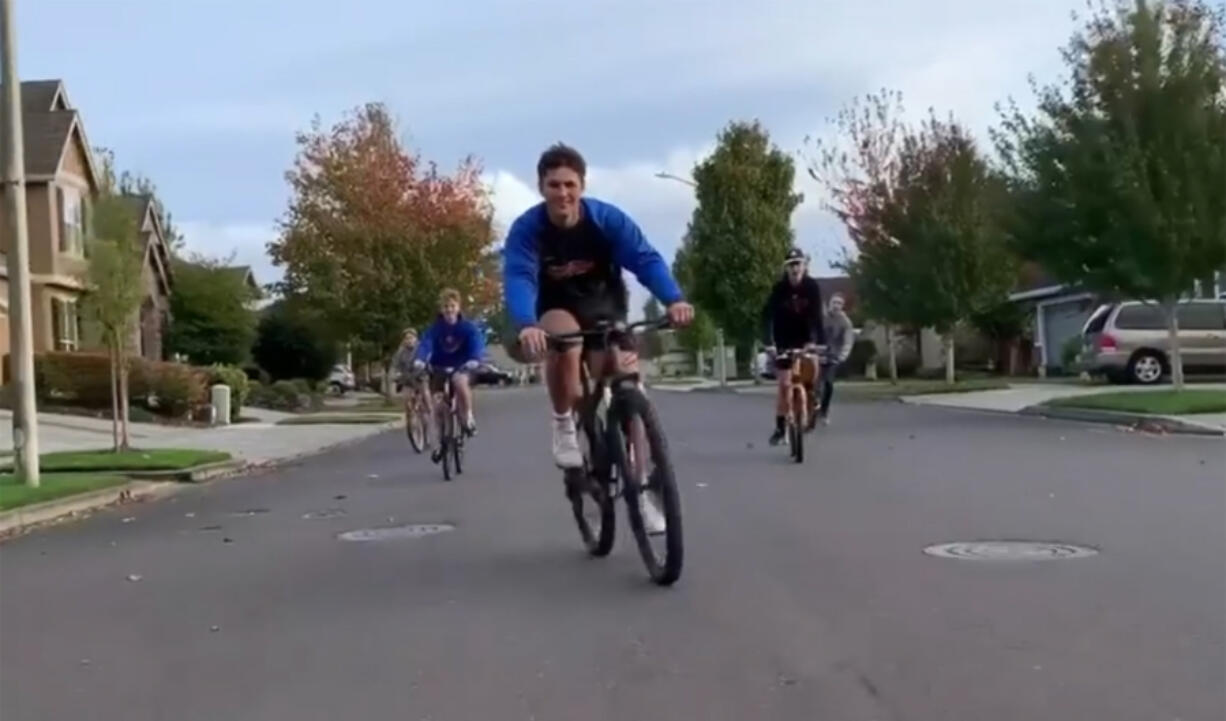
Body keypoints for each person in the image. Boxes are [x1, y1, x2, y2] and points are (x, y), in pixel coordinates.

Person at [502, 143, 693, 532]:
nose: (562, 193)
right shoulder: (529, 230)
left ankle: (639, 490)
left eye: (570, 184)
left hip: (604, 305)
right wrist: (526, 322)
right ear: (541, 188)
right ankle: (564, 424)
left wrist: (673, 299)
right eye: (553, 185)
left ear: (582, 186)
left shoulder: (607, 221)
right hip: (553, 308)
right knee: (565, 344)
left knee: (628, 380)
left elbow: (644, 259)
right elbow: (519, 276)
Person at [761, 247, 826, 444]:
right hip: (784, 341)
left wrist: (817, 341)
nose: (795, 268)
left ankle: (813, 398)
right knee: (784, 384)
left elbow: (817, 317)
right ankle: (780, 427)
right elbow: (767, 316)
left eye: (798, 264)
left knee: (812, 370)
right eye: (791, 265)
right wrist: (768, 342)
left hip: (806, 339)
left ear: (804, 266)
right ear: (786, 269)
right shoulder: (779, 290)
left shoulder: (812, 287)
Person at [412, 289, 485, 441]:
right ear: (441, 309)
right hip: (439, 366)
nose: (449, 309)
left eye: (452, 306)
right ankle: (440, 438)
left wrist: (475, 358)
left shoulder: (467, 327)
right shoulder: (435, 328)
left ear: (458, 307)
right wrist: (420, 358)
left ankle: (468, 417)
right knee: (437, 403)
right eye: (446, 306)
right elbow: (426, 343)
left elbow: (476, 342)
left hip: (462, 365)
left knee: (460, 383)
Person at [818, 292, 855, 425]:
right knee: (812, 381)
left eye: (839, 303)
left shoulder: (845, 323)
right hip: (817, 354)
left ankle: (824, 411)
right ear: (829, 303)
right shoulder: (821, 317)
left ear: (842, 306)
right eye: (834, 302)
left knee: (828, 383)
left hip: (833, 356)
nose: (836, 306)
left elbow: (848, 341)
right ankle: (810, 405)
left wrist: (842, 356)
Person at [391, 328, 424, 433]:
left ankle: (427, 416)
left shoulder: (421, 348)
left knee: (425, 397)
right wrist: (396, 373)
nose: (409, 340)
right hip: (407, 379)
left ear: (415, 338)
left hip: (421, 377)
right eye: (406, 338)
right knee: (407, 398)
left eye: (411, 338)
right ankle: (410, 417)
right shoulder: (401, 351)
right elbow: (396, 365)